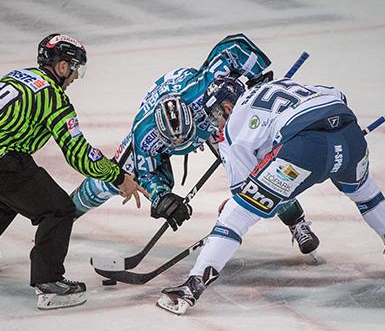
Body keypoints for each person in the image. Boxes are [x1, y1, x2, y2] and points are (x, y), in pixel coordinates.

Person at [156, 76, 385, 315]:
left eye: (217, 114)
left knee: (235, 214)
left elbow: (243, 192)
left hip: (305, 150)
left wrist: (240, 201)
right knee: (366, 194)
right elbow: (337, 95)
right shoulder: (277, 84)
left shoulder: (233, 124)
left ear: (227, 107)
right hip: (350, 137)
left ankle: (192, 286)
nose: (218, 122)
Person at [70, 34, 318, 254]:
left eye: (184, 137)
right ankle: (66, 215)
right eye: (172, 140)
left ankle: (297, 221)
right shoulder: (145, 133)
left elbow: (235, 45)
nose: (179, 143)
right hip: (181, 124)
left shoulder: (206, 88)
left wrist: (256, 79)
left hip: (212, 118)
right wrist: (161, 197)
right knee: (115, 178)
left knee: (259, 170)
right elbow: (146, 174)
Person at [0, 33, 148, 310]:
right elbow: (79, 154)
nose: (76, 77)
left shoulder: (20, 75)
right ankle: (50, 284)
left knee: (8, 195)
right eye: (76, 68)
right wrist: (118, 177)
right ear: (62, 66)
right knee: (58, 209)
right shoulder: (53, 98)